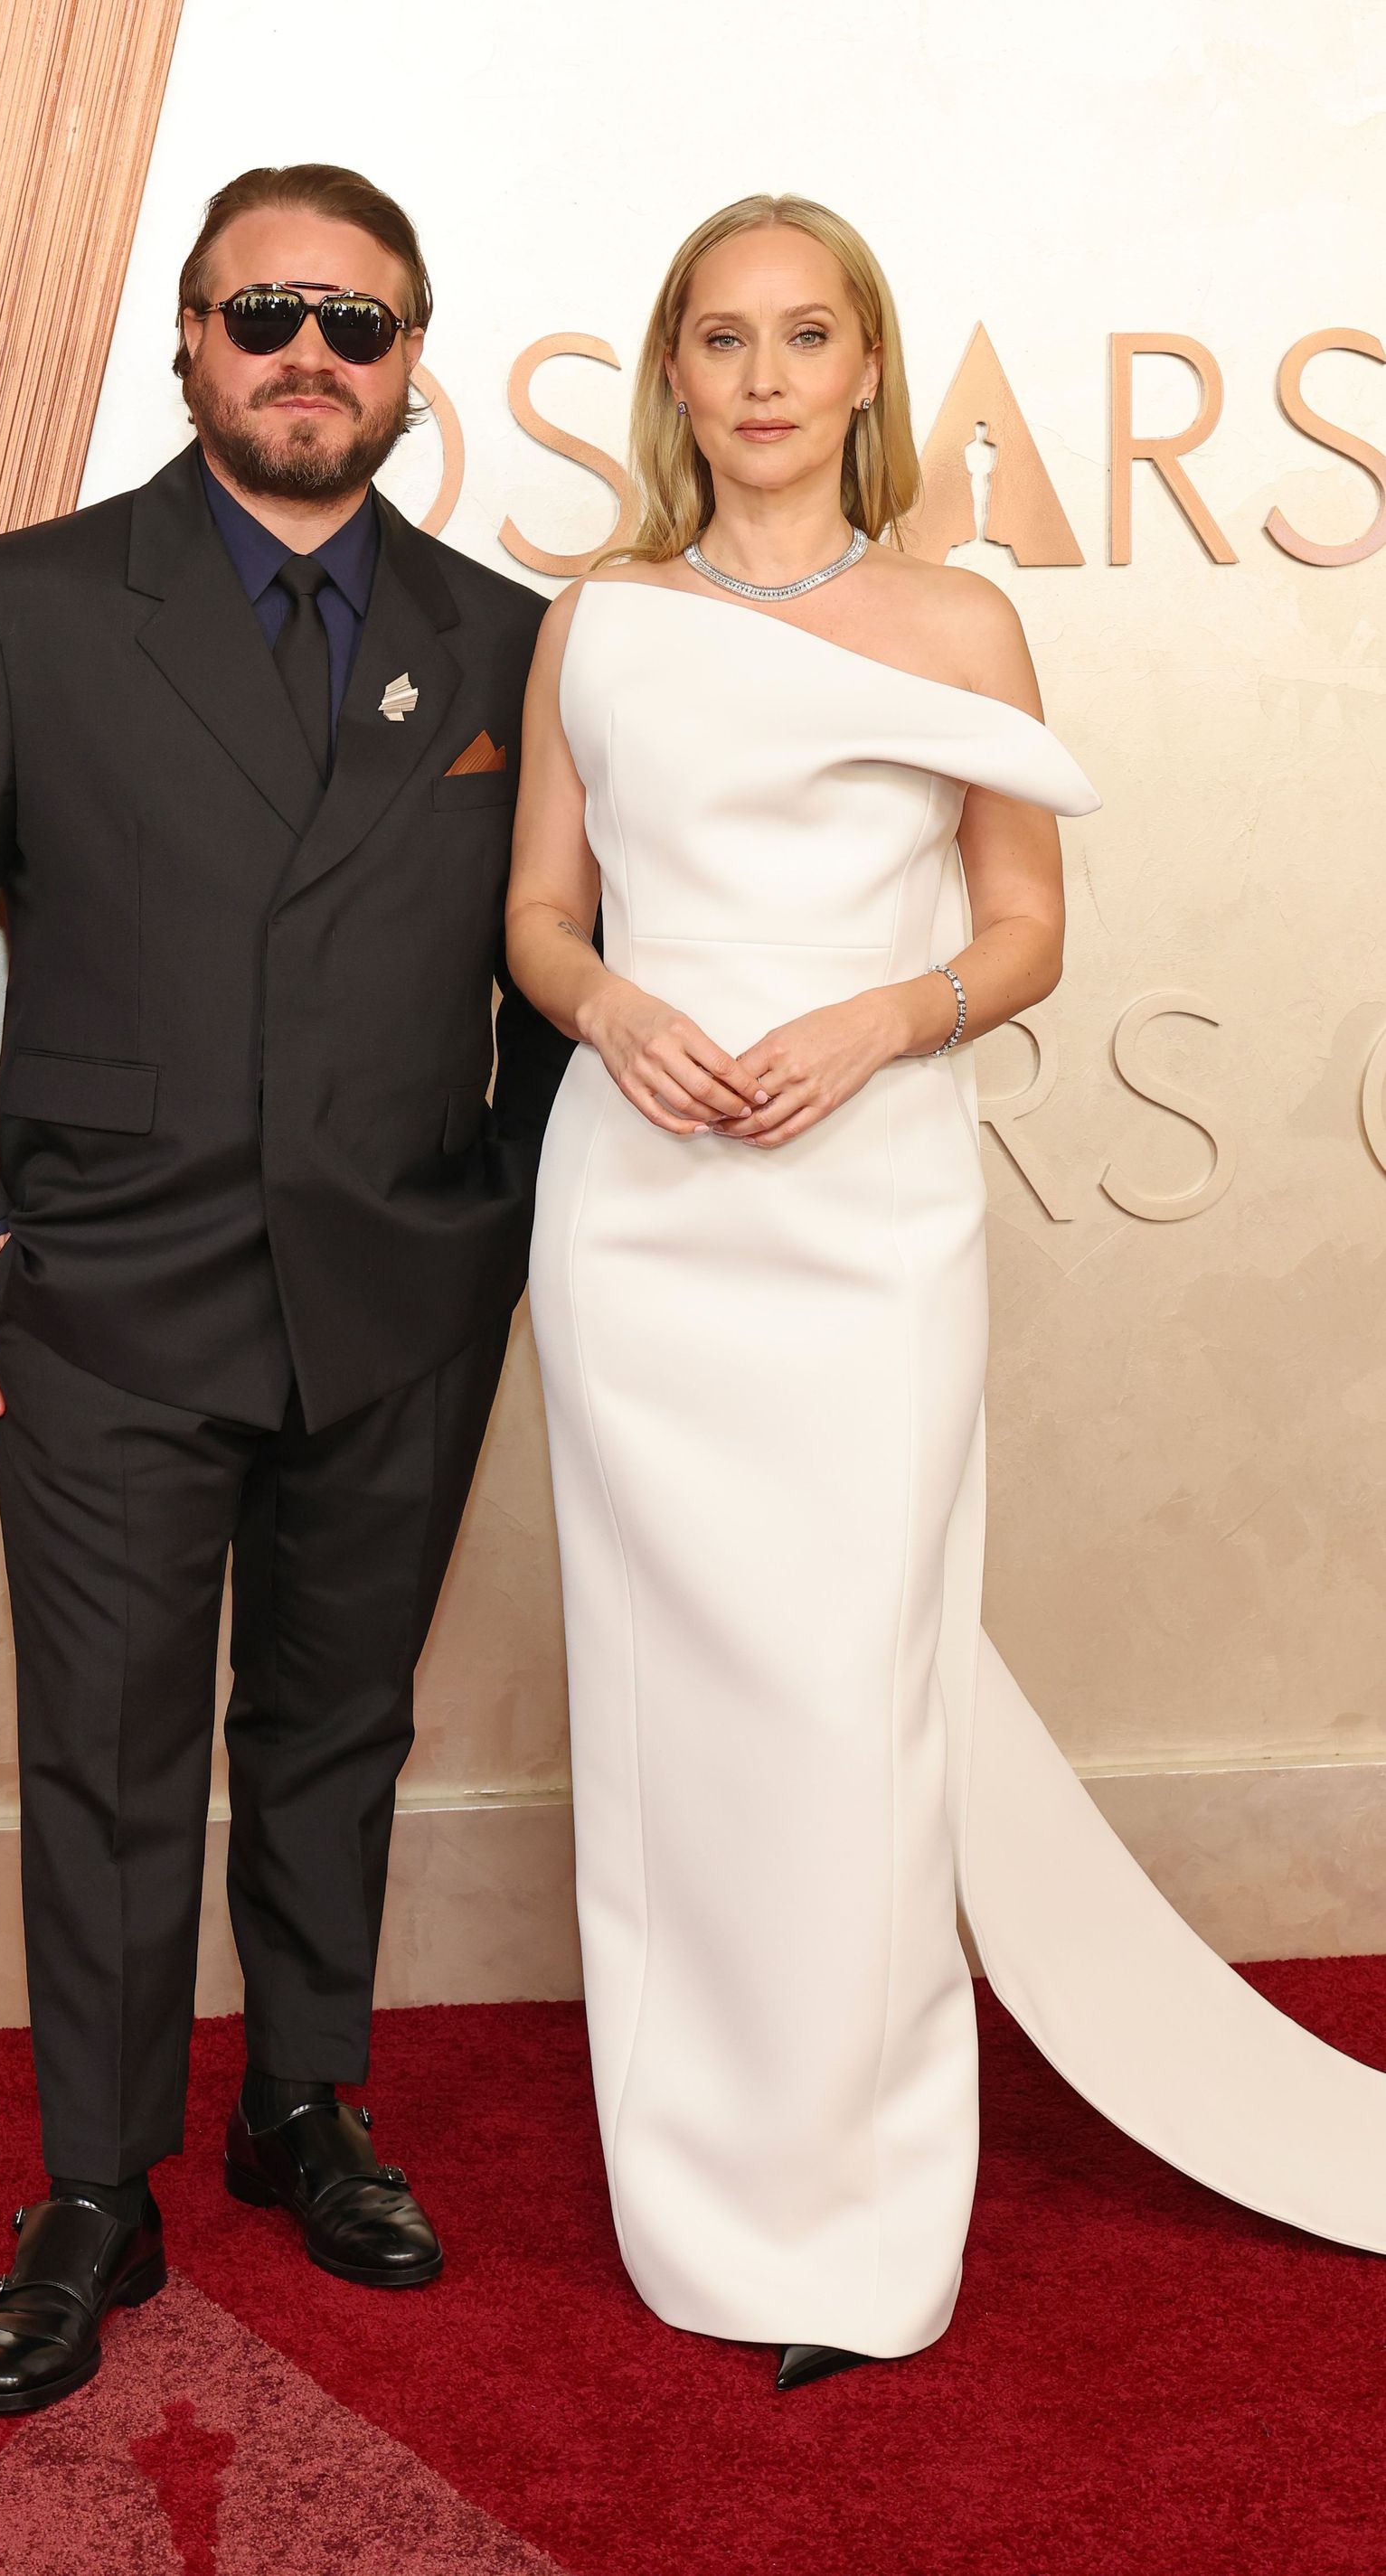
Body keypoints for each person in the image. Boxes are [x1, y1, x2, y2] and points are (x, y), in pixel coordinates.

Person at [504, 192, 1386, 2393]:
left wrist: (876, 1027)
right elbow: (537, 916)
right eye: (724, 338)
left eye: (808, 335)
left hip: (860, 1202)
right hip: (641, 1209)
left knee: (848, 1692)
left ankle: (863, 2218)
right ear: (675, 372)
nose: (767, 375)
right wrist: (611, 1012)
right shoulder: (592, 622)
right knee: (669, 1707)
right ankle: (703, 2201)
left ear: (867, 367)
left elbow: (1021, 935)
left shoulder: (957, 624)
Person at [0, 161, 570, 2415]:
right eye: (263, 310)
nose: (306, 353)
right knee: (112, 1756)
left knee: (340, 1728)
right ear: (184, 341)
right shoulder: (27, 605)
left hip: (398, 1297)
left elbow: (554, 977)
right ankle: (96, 2181)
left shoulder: (506, 641)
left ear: (411, 363)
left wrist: (510, 1230)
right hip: (105, 1298)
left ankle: (304, 2107)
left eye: (355, 323)